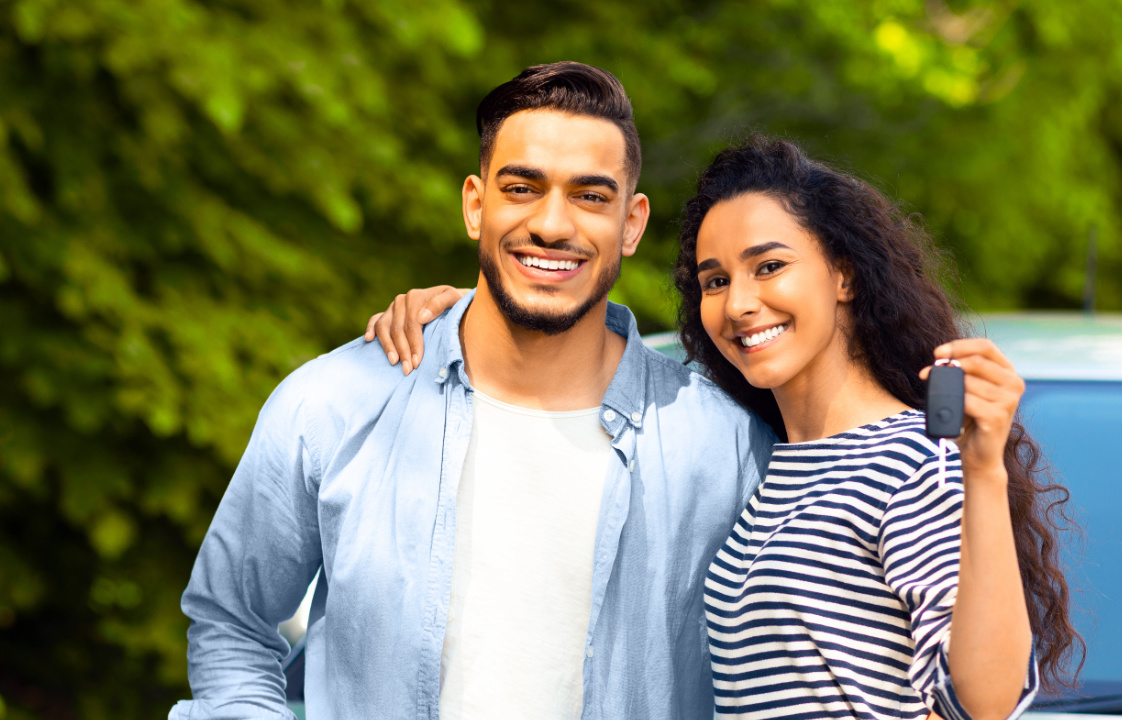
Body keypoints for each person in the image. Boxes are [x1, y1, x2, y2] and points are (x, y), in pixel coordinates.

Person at [370, 139, 1080, 720]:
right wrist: (464, 317)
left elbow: (986, 704)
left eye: (769, 267)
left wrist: (984, 473)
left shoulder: (913, 460)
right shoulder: (761, 455)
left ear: (844, 274)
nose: (740, 303)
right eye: (714, 281)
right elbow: (587, 371)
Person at [172, 62, 775, 720]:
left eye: (590, 197)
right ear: (475, 204)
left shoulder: (727, 446)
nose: (552, 224)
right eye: (522, 187)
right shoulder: (336, 402)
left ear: (631, 224)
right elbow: (231, 624)